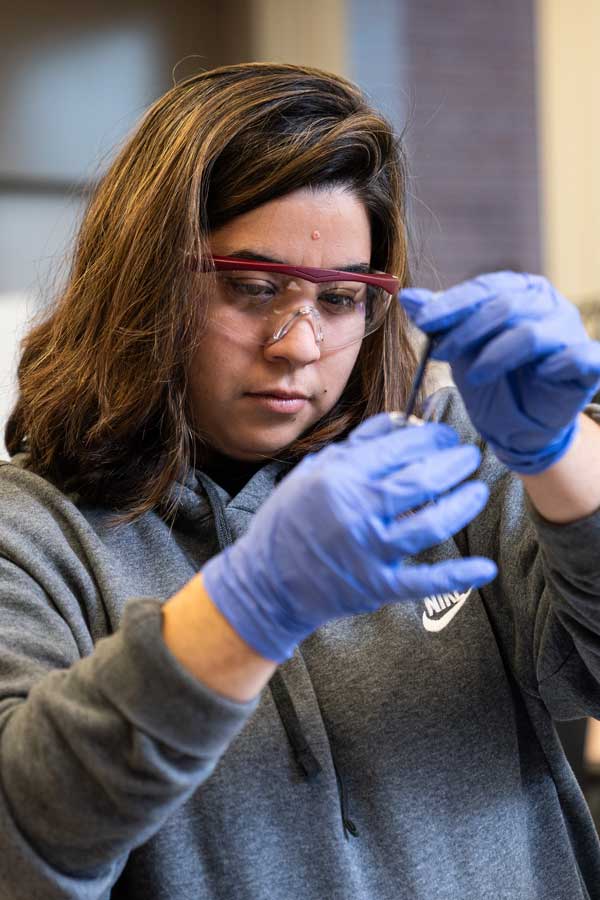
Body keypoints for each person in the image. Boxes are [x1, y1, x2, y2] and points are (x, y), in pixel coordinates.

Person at [1, 61, 600, 900]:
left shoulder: (444, 457)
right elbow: (24, 849)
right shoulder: (29, 538)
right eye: (250, 287)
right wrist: (248, 609)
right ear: (143, 284)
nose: (297, 343)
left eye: (342, 299)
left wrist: (562, 451)